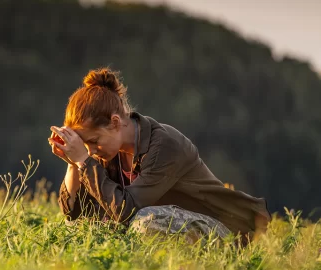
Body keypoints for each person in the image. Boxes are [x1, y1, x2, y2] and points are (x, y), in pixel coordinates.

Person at [48, 67, 270, 246]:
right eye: (85, 145)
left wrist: (83, 161)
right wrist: (74, 164)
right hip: (167, 225)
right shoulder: (107, 149)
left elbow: (127, 212)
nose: (92, 151)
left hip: (221, 231)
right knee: (76, 230)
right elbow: (74, 213)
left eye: (93, 142)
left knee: (146, 224)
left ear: (115, 123)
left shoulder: (164, 145)